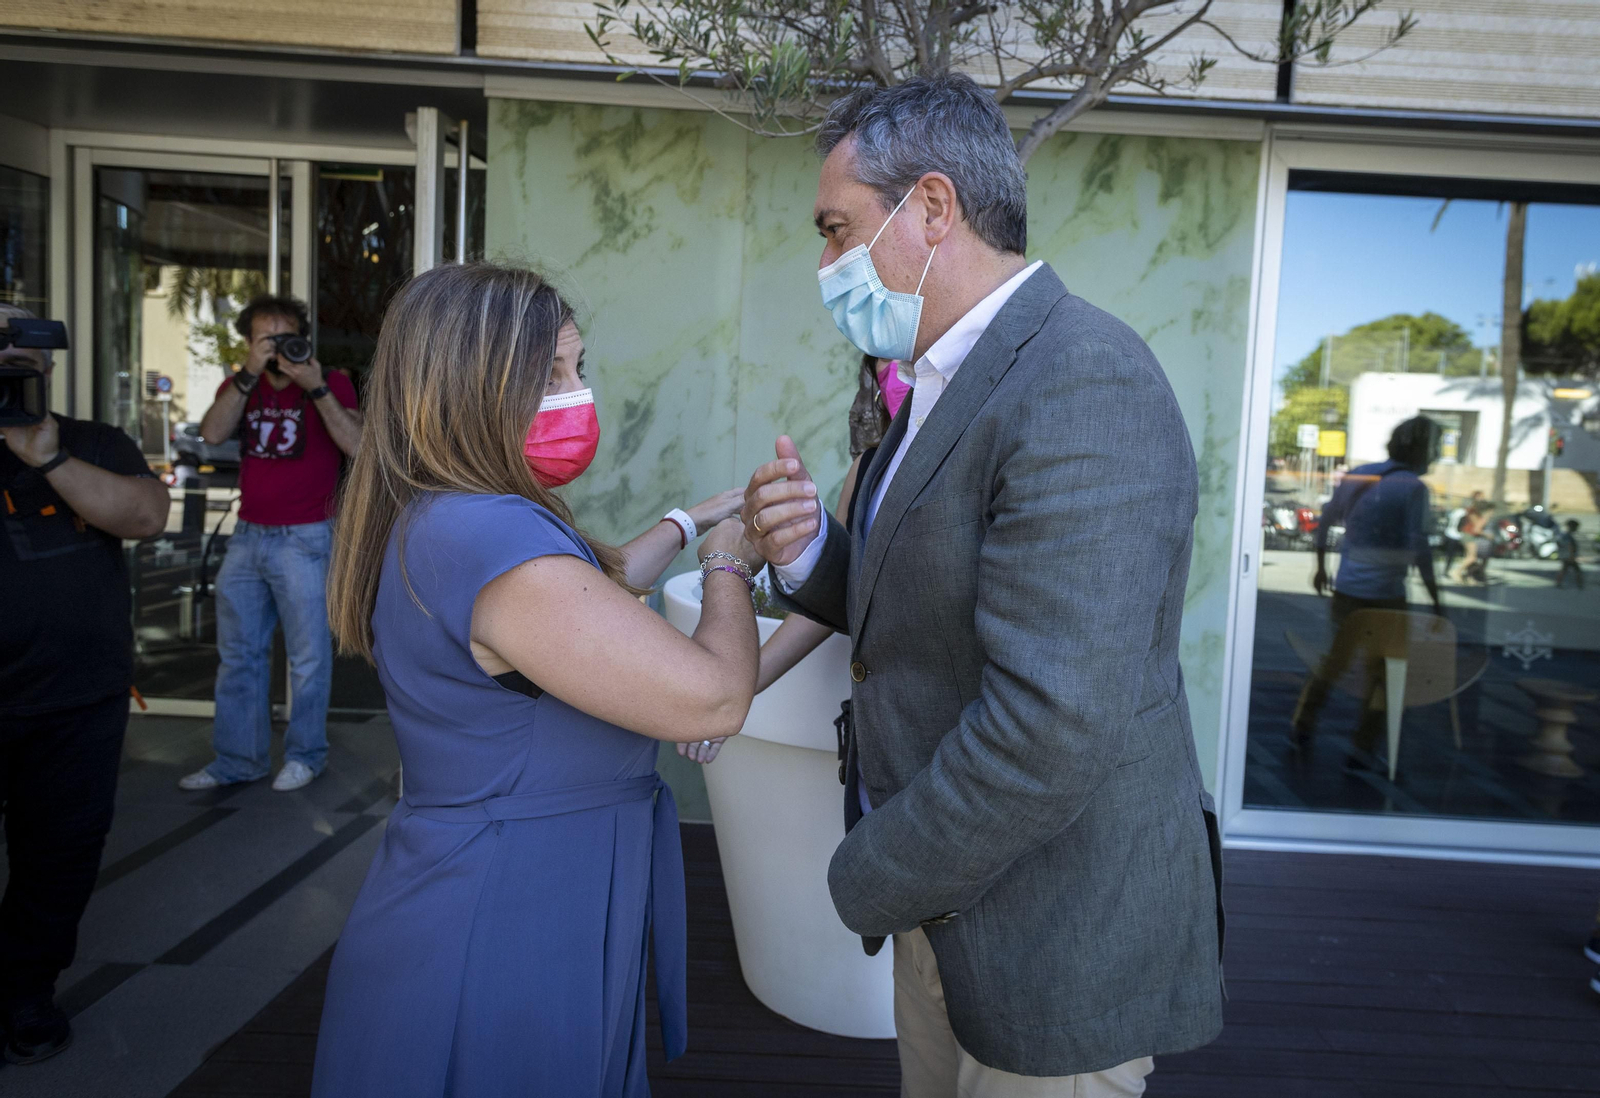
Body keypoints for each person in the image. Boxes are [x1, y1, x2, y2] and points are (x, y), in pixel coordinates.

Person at [741, 75, 1223, 1096]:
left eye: (836, 231)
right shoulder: (937, 379)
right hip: (945, 910)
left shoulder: (1082, 378)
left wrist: (869, 871)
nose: (825, 265)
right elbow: (911, 606)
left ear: (930, 207)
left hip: (1052, 934)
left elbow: (1050, 723)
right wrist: (805, 556)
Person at [311, 262, 765, 1096]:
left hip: (507, 885)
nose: (576, 394)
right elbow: (714, 695)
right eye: (550, 374)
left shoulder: (450, 514)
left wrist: (691, 517)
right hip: (504, 915)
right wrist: (730, 559)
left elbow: (605, 577)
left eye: (578, 369)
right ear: (473, 387)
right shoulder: (489, 534)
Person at [0, 304, 169, 1065]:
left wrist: (48, 458)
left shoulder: (90, 441)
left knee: (58, 861)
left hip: (78, 701)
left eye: (23, 339)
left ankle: (24, 995)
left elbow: (145, 515)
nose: (11, 352)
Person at [682, 353, 903, 766]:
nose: (903, 366)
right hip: (873, 726)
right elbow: (837, 594)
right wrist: (735, 692)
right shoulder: (868, 469)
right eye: (886, 356)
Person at [179, 296, 361, 793]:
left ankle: (306, 755)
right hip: (248, 534)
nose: (280, 348)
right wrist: (246, 374)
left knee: (308, 658)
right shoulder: (241, 385)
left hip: (306, 537)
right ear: (250, 343)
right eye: (268, 339)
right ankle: (238, 760)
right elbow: (213, 432)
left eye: (288, 337)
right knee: (239, 655)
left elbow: (358, 445)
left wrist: (316, 386)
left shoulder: (332, 382)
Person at [1291, 416, 1443, 767]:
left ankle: (1303, 722)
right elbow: (1418, 549)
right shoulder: (1414, 488)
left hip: (1347, 589)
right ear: (1423, 450)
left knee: (1335, 662)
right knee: (1385, 675)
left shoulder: (1362, 474)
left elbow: (1326, 521)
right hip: (1388, 596)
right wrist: (1437, 601)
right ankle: (1363, 746)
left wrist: (1320, 567)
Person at [1441, 489, 1483, 573]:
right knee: (1469, 556)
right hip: (1458, 535)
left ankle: (1449, 570)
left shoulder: (1457, 511)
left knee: (1454, 555)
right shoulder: (1466, 513)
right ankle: (1456, 572)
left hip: (1451, 534)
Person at [1555, 518, 1583, 589]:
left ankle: (1559, 583)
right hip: (1568, 556)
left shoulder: (1564, 535)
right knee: (1576, 570)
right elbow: (1570, 546)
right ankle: (1579, 584)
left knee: (1564, 569)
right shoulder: (1568, 536)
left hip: (1565, 556)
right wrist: (1571, 556)